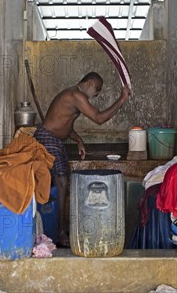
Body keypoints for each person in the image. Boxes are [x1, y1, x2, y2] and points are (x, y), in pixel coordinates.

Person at [34, 72, 131, 247]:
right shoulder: (76, 95)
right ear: (91, 83)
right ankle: (60, 233)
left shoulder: (72, 94)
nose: (96, 95)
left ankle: (57, 229)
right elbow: (99, 118)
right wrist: (121, 99)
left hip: (53, 138)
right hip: (48, 138)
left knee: (62, 180)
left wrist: (78, 139)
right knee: (62, 181)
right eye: (97, 90)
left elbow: (62, 122)